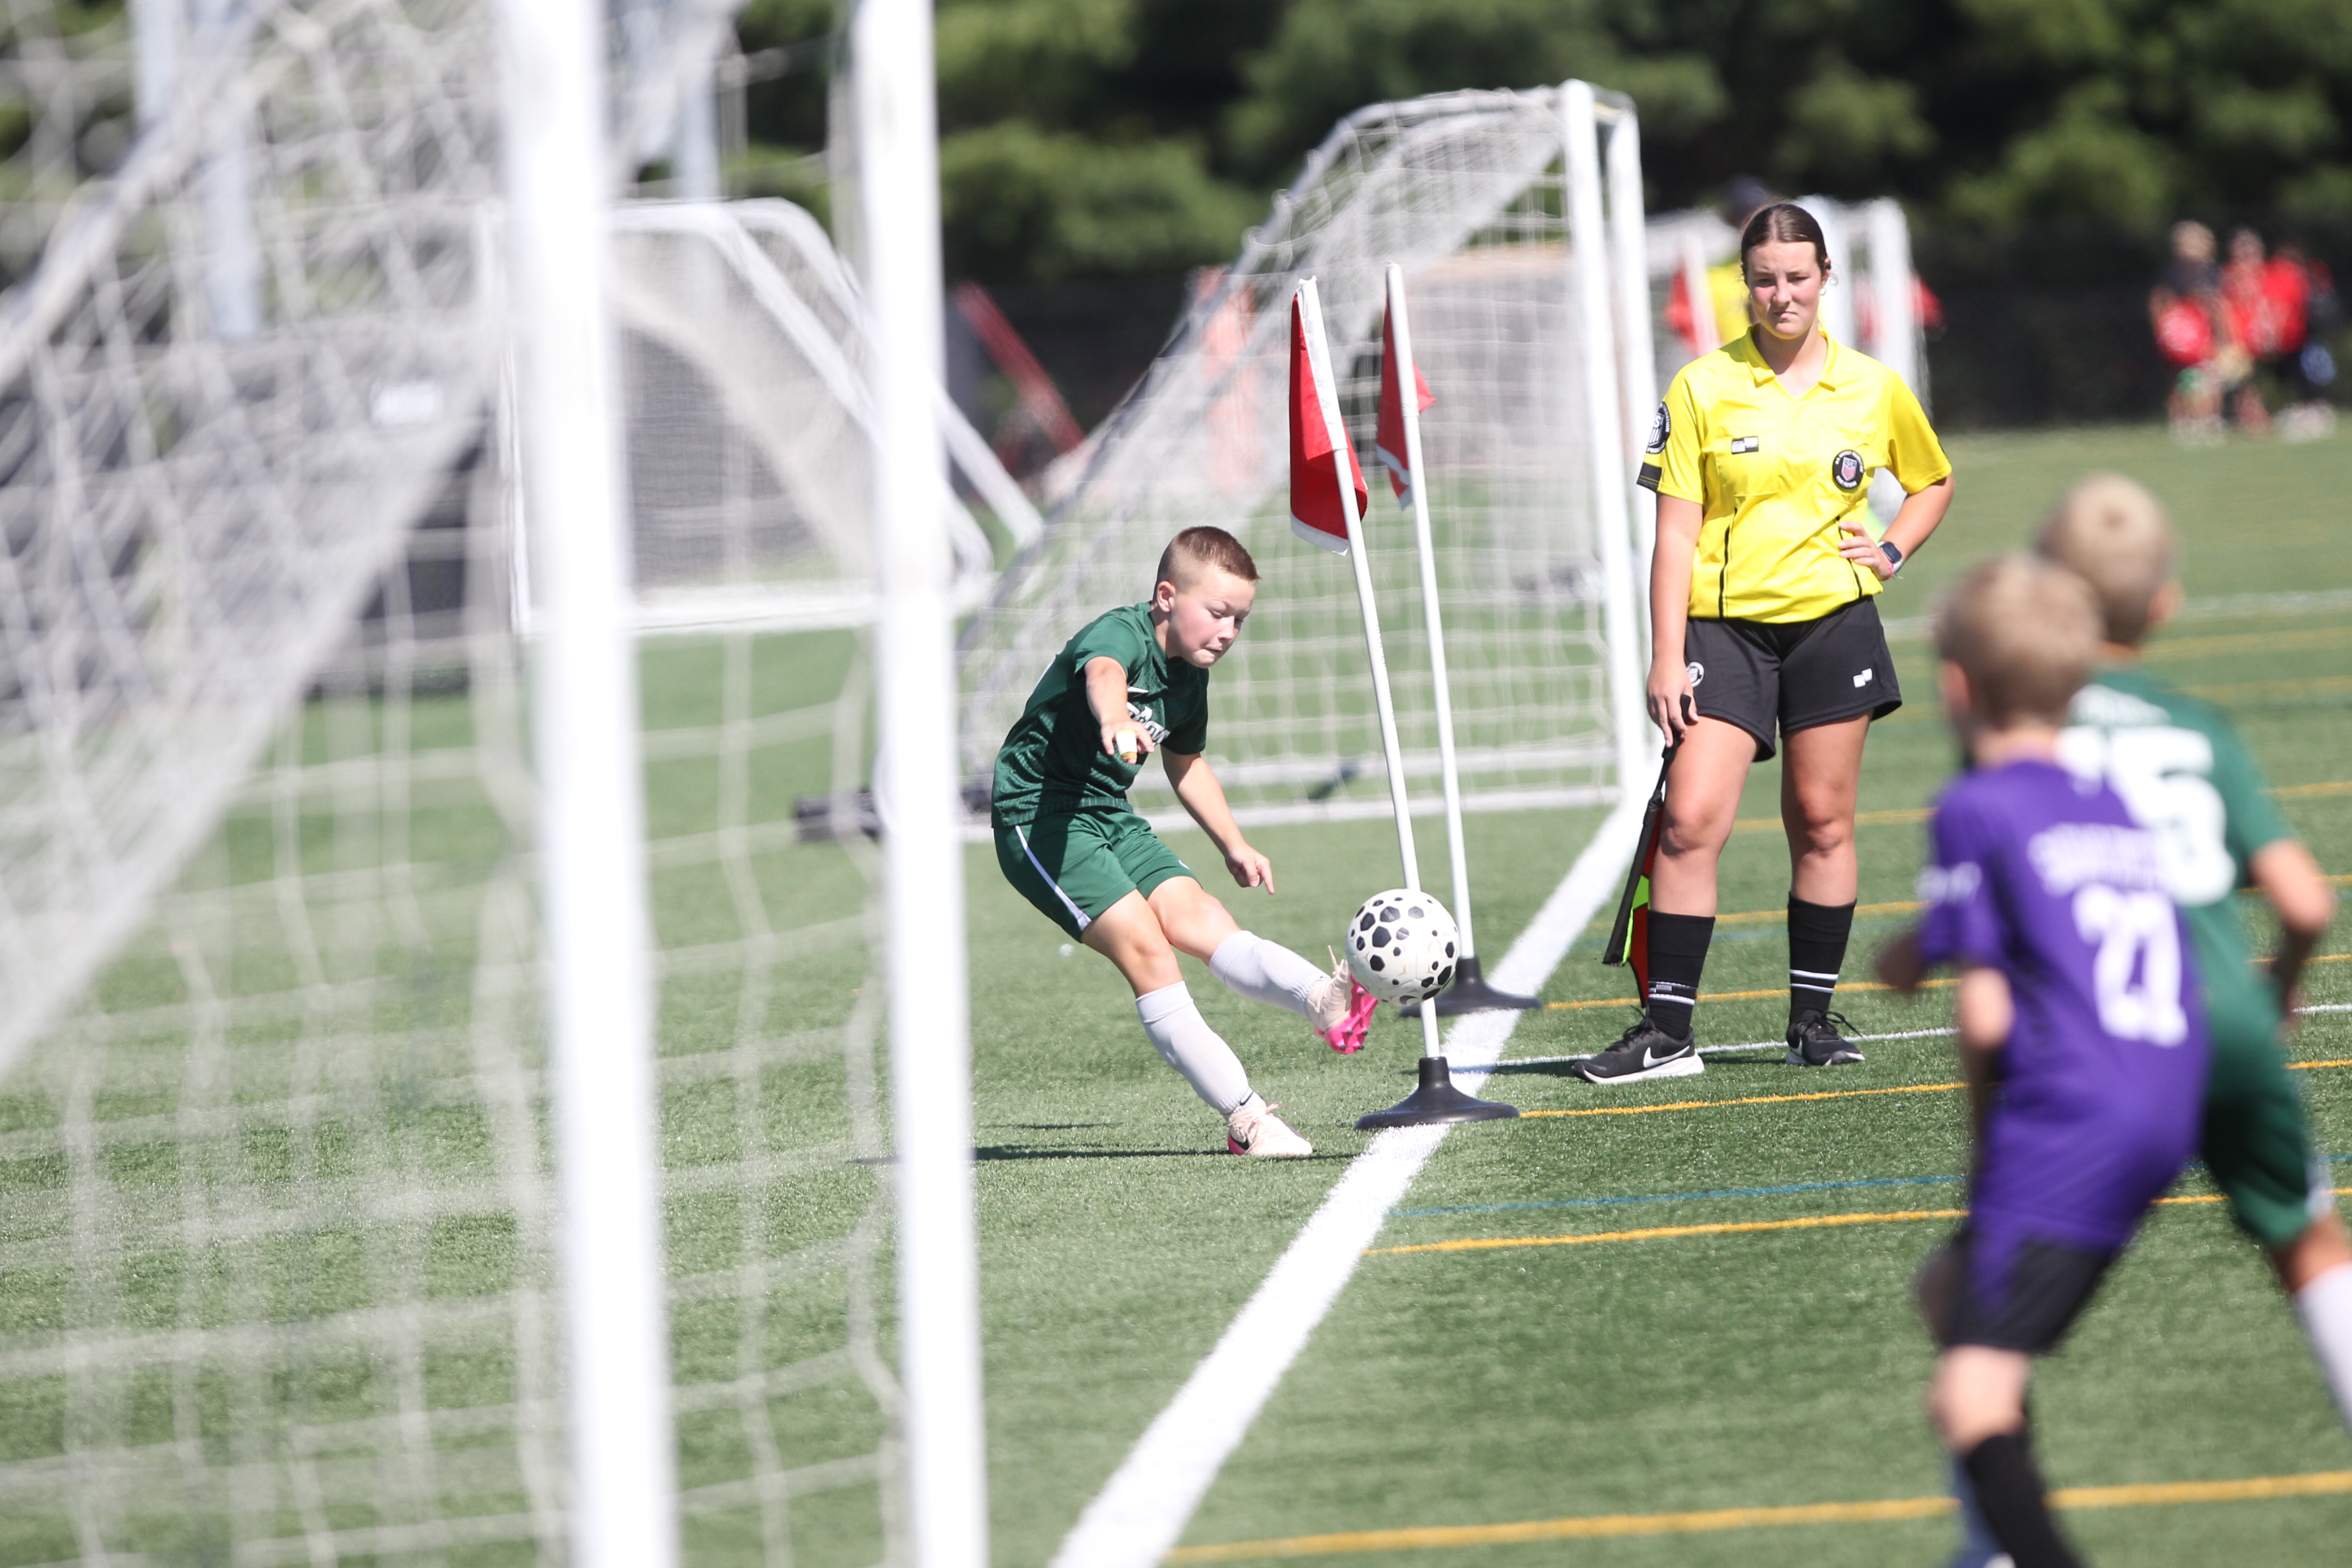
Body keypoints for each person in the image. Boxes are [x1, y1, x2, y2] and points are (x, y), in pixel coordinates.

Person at [1878, 555, 2210, 1568]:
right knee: (1950, 1295)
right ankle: (1990, 1547)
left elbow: (1986, 1019)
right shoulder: (2108, 803)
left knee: (1968, 1395)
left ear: (1956, 685)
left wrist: (1990, 1151)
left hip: (2069, 1114)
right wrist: (1921, 945)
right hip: (2168, 1095)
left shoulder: (1973, 806)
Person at [1582, 201, 1956, 1084]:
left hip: (1834, 626)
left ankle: (1811, 1021)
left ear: (1826, 278)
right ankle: (1668, 1032)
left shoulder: (1872, 385)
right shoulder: (1700, 386)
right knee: (1690, 821)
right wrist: (1665, 655)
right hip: (1723, 632)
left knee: (1822, 821)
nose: (1781, 294)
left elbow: (1932, 481)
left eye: (1796, 277)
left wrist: (1892, 549)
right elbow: (1675, 534)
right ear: (1743, 285)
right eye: (1763, 280)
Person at [989, 525, 1376, 1157]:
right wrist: (1115, 717)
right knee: (1149, 948)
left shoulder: (1190, 677)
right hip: (1038, 819)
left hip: (1108, 815)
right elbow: (1104, 674)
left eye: (1240, 620)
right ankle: (1248, 1120)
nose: (1228, 632)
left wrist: (1234, 844)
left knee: (1206, 919)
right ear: (1167, 597)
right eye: (1218, 612)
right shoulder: (1121, 635)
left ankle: (1323, 1000)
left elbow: (1186, 762)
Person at [2151, 220, 2226, 443]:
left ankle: (2209, 419)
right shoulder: (2173, 273)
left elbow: (2219, 305)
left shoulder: (2212, 272)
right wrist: (2164, 328)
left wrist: (2223, 335)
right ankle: (2182, 420)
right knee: (2182, 380)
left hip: (2205, 333)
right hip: (2182, 334)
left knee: (2210, 378)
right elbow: (2160, 301)